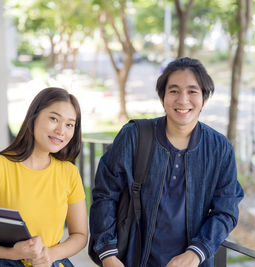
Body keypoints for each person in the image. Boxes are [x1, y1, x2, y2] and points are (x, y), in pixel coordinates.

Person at [89, 57, 244, 267]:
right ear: (162, 98)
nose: (182, 100)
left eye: (192, 91)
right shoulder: (134, 136)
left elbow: (226, 210)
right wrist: (108, 254)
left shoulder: (220, 149)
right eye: (174, 91)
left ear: (204, 98)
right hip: (133, 260)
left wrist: (196, 253)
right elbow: (105, 194)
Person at [0, 87, 88, 267]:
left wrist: (49, 255)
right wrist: (12, 253)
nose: (61, 130)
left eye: (70, 124)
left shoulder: (69, 173)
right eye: (54, 119)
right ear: (33, 119)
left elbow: (80, 235)